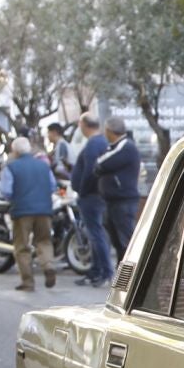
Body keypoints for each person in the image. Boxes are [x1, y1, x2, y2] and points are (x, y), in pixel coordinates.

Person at [0, 136, 57, 292]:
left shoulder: (11, 167)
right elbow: (52, 186)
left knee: (22, 246)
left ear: (15, 152)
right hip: (44, 209)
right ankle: (48, 265)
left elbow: (6, 191)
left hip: (22, 210)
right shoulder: (44, 166)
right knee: (44, 241)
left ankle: (28, 282)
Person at [69, 114, 113, 286]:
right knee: (96, 234)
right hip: (96, 195)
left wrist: (82, 191)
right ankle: (96, 271)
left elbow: (90, 171)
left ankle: (105, 272)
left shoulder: (94, 143)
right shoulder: (100, 142)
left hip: (91, 197)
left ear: (83, 125)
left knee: (96, 235)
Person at [94, 117, 141, 259]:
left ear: (109, 131)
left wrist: (99, 166)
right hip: (113, 201)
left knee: (126, 242)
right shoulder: (113, 147)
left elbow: (101, 163)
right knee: (117, 242)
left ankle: (133, 270)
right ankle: (121, 269)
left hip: (123, 201)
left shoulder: (126, 146)